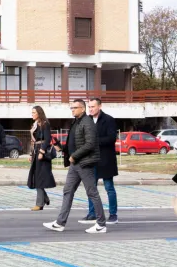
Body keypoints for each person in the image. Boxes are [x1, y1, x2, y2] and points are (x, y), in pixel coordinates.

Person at [43, 99, 107, 234]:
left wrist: (75, 156)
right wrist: (60, 146)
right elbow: (73, 143)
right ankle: (60, 223)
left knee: (92, 193)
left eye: (75, 107)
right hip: (75, 164)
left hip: (84, 163)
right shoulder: (76, 122)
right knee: (68, 191)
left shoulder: (87, 122)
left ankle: (101, 224)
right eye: (71, 107)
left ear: (82, 109)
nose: (72, 110)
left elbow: (90, 144)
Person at [83, 98, 118, 224]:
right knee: (91, 188)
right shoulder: (86, 120)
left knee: (109, 187)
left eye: (93, 106)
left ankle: (113, 214)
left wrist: (94, 142)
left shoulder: (109, 119)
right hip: (92, 160)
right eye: (89, 107)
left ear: (100, 106)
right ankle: (92, 213)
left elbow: (111, 138)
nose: (91, 109)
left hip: (106, 160)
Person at [27, 106, 56, 211]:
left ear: (39, 113)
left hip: (42, 153)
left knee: (39, 178)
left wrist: (42, 152)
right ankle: (45, 198)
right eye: (32, 112)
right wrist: (31, 154)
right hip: (36, 151)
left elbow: (48, 139)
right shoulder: (35, 125)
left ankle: (39, 204)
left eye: (34, 112)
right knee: (36, 177)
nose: (32, 114)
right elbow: (32, 141)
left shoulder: (45, 124)